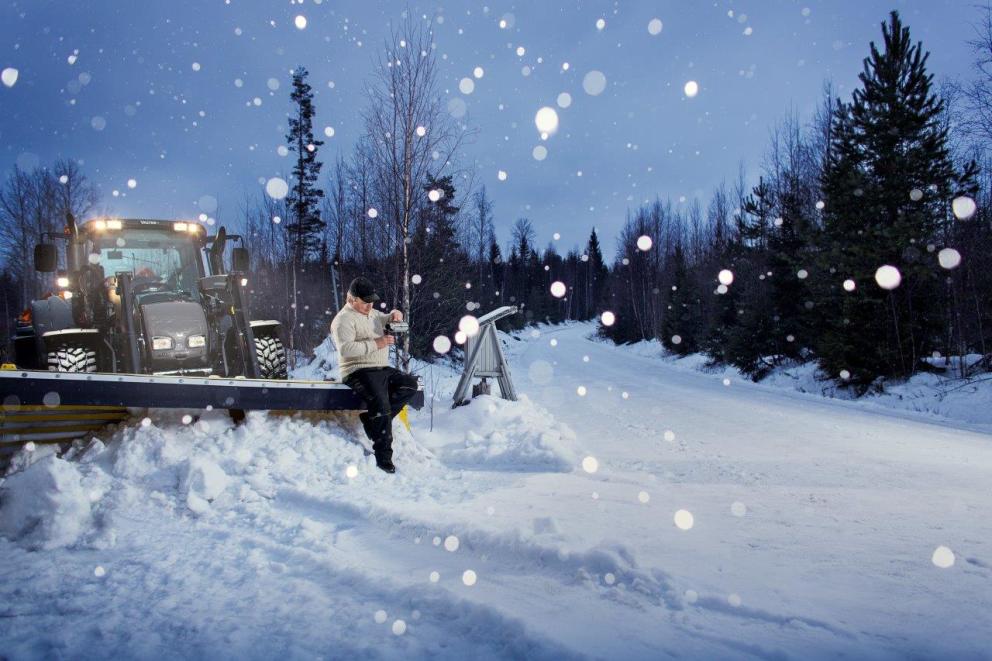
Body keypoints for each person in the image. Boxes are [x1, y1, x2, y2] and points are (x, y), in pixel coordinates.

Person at [330, 276, 419, 474]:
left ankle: (372, 421)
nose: (369, 306)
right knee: (382, 404)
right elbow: (345, 349)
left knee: (409, 385)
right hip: (357, 370)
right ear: (352, 299)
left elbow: (385, 317)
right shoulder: (342, 320)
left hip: (381, 367)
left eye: (372, 302)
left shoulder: (372, 313)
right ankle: (383, 458)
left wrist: (395, 314)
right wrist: (377, 344)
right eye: (365, 302)